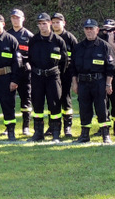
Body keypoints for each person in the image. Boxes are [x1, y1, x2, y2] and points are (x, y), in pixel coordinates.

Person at [71, 19, 115, 143]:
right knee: (84, 109)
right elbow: (73, 68)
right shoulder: (78, 47)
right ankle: (84, 135)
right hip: (83, 83)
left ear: (97, 30)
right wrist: (74, 83)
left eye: (91, 28)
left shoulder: (104, 46)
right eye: (87, 29)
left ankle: (105, 134)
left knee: (101, 108)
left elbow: (111, 67)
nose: (89, 31)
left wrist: (108, 83)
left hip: (99, 82)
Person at [27, 13, 69, 142]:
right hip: (37, 77)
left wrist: (57, 74)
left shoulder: (58, 41)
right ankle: (38, 133)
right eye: (39, 24)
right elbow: (30, 58)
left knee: (55, 105)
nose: (42, 26)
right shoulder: (33, 40)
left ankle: (56, 133)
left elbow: (64, 61)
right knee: (37, 105)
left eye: (44, 23)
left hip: (53, 77)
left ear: (50, 23)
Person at [51, 13, 79, 137]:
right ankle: (53, 126)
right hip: (51, 74)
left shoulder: (70, 38)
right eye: (53, 22)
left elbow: (76, 58)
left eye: (58, 22)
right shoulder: (49, 37)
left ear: (64, 23)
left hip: (66, 73)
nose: (55, 24)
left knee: (65, 99)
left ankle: (67, 127)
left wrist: (74, 77)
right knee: (52, 100)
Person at [8, 9, 34, 136]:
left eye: (18, 17)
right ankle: (9, 127)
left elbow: (33, 56)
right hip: (10, 73)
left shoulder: (29, 36)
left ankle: (26, 127)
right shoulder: (7, 35)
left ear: (23, 19)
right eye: (13, 17)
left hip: (25, 73)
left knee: (26, 100)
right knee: (8, 101)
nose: (15, 20)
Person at [98, 19, 115, 136]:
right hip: (102, 74)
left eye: (110, 29)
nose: (107, 31)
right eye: (106, 29)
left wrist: (111, 41)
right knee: (102, 102)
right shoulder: (99, 40)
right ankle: (104, 125)